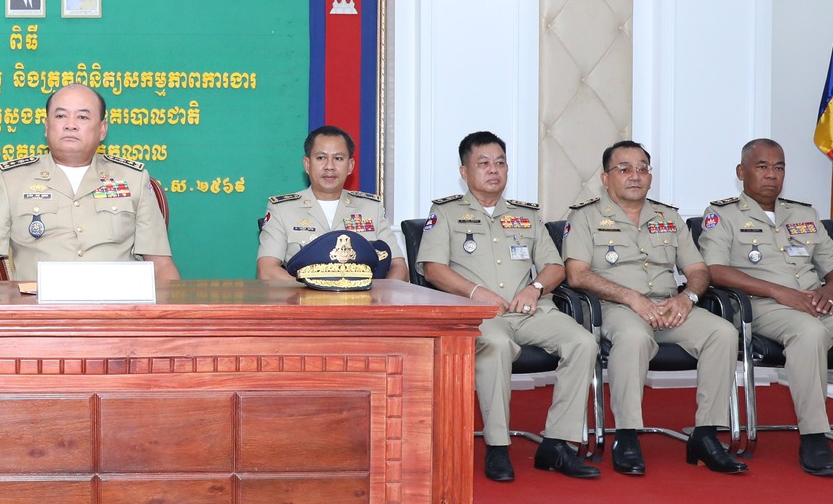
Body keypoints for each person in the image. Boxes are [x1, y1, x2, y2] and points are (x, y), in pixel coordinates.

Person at [700, 138, 833, 477]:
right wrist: (779, 292)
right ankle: (814, 437)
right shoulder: (721, 215)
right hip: (764, 304)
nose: (771, 175)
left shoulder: (804, 214)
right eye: (762, 167)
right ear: (741, 172)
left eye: (779, 167)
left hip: (817, 299)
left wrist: (832, 288)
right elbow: (715, 270)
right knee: (809, 332)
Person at [417, 131, 601, 482]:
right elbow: (432, 269)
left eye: (500, 162)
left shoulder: (526, 215)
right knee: (497, 345)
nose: (493, 170)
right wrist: (476, 293)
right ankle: (498, 446)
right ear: (464, 172)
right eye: (483, 163)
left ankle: (557, 444)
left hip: (530, 310)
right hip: (480, 314)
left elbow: (555, 266)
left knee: (583, 342)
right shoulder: (446, 213)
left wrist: (535, 288)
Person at [564, 140, 744, 475]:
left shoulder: (669, 217)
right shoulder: (585, 217)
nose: (635, 175)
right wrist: (631, 297)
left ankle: (705, 435)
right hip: (616, 307)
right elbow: (576, 275)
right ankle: (627, 436)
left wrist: (687, 298)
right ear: (605, 178)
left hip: (670, 306)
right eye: (624, 169)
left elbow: (698, 270)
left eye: (642, 168)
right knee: (634, 338)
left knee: (721, 332)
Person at [0, 84, 177, 285]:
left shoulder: (134, 179)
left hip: (116, 309)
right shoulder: (10, 180)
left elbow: (161, 265)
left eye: (82, 117)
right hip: (37, 310)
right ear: (47, 127)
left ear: (102, 129)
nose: (70, 125)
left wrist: (174, 314)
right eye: (61, 115)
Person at [256, 126, 402, 282]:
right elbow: (266, 270)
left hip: (364, 296)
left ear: (350, 166)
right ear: (307, 164)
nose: (329, 166)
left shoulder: (371, 208)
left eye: (338, 158)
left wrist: (379, 293)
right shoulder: (282, 209)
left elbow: (399, 267)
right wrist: (312, 291)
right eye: (321, 158)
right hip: (302, 296)